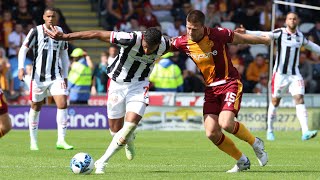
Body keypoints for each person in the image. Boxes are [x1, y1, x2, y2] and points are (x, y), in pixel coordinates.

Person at [45, 26, 171, 174]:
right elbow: (96, 33)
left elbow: (188, 44)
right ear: (143, 40)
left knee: (130, 125)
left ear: (159, 44)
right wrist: (66, 37)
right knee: (115, 131)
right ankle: (129, 140)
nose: (147, 51)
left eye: (151, 49)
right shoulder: (130, 38)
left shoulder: (166, 44)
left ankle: (102, 162)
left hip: (139, 86)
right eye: (145, 47)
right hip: (117, 84)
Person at [170, 10, 270, 173]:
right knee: (211, 133)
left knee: (226, 123)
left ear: (203, 26)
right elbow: (162, 45)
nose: (190, 32)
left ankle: (255, 142)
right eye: (188, 28)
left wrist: (264, 41)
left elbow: (241, 39)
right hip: (211, 89)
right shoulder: (182, 42)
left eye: (194, 29)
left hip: (229, 82)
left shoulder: (218, 34)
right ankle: (242, 161)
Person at [237, 12, 319, 141]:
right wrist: (247, 31)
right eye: (290, 19)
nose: (292, 21)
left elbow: (312, 46)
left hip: (294, 75)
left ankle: (305, 131)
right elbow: (262, 34)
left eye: (294, 19)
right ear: (286, 21)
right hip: (280, 75)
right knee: (275, 101)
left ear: (297, 21)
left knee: (299, 98)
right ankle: (270, 129)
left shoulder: (300, 36)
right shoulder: (280, 32)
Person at [18, 7, 73, 151]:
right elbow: (23, 49)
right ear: (43, 17)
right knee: (36, 107)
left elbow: (64, 55)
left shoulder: (60, 32)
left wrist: (65, 76)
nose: (50, 19)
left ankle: (61, 140)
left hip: (56, 76)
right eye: (48, 16)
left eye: (53, 16)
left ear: (56, 18)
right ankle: (33, 141)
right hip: (38, 78)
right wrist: (21, 67)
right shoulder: (36, 31)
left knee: (62, 103)